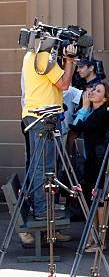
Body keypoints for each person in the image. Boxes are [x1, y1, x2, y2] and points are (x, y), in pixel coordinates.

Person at [21, 43, 77, 220]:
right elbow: (64, 84)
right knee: (44, 166)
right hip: (43, 117)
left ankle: (43, 208)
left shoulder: (30, 56)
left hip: (36, 115)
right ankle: (42, 210)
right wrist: (69, 60)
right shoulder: (43, 57)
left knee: (42, 164)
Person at [69, 82, 109, 252]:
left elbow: (77, 127)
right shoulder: (94, 112)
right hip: (91, 160)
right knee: (92, 200)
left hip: (98, 161)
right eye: (93, 89)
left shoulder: (101, 114)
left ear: (105, 98)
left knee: (98, 199)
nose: (93, 92)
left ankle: (100, 239)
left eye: (98, 91)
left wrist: (85, 107)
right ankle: (93, 237)